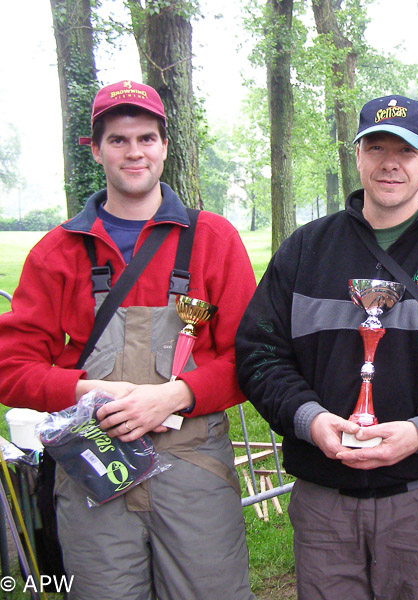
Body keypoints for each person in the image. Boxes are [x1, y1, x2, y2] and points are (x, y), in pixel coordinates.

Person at [236, 95, 418, 600]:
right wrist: (309, 419)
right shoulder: (306, 249)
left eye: (405, 151)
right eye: (376, 147)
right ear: (358, 155)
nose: (390, 163)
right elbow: (258, 354)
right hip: (324, 501)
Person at [0, 80, 257, 600]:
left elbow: (252, 358)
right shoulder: (59, 251)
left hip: (193, 469)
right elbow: (11, 368)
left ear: (165, 146)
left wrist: (177, 394)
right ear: (95, 150)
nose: (134, 152)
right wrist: (84, 392)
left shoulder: (213, 240)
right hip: (93, 467)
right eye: (118, 140)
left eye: (146, 138)